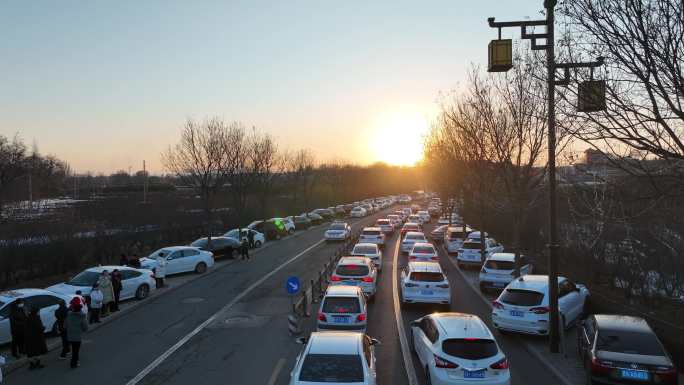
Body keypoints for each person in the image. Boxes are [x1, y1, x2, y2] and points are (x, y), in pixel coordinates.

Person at [66, 298, 88, 369]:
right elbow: (85, 327)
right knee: (76, 350)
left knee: (73, 349)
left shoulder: (69, 315)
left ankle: (76, 360)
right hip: (77, 336)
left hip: (70, 335)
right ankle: (73, 363)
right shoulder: (82, 316)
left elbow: (65, 325)